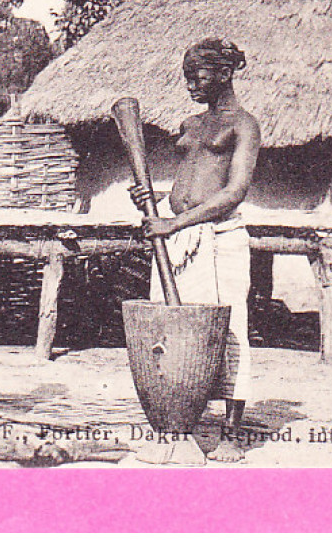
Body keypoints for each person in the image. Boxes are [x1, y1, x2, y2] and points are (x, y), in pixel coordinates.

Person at [138, 37, 261, 463]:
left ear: (224, 74)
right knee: (172, 334)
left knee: (226, 332)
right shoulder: (190, 126)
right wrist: (153, 201)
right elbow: (186, 182)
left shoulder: (245, 125)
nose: (191, 84)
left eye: (199, 76)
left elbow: (234, 192)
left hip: (219, 237)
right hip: (177, 239)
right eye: (187, 76)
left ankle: (231, 433)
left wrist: (177, 221)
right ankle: (177, 425)